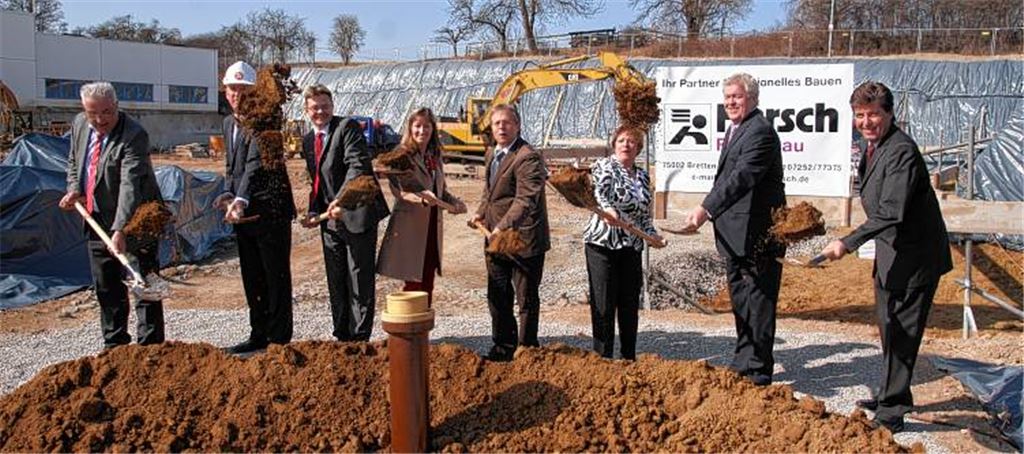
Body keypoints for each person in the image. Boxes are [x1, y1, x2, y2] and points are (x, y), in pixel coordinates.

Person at [819, 81, 952, 433]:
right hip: (891, 254)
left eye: (874, 115)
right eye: (860, 115)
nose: (866, 122)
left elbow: (891, 211)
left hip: (915, 258)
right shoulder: (874, 147)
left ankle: (893, 412)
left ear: (890, 114)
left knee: (902, 332)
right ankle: (890, 394)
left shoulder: (901, 151)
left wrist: (847, 243)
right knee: (888, 327)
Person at [679, 73, 786, 386]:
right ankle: (743, 360)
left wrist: (706, 209)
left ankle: (759, 368)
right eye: (727, 97)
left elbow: (741, 177)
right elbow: (727, 178)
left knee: (759, 300)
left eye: (736, 97)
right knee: (741, 299)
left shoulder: (760, 131)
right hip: (735, 233)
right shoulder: (738, 129)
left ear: (752, 98)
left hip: (757, 233)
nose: (730, 102)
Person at [58, 81, 165, 349]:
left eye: (106, 112)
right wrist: (74, 189)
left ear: (116, 106)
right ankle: (114, 346)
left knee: (144, 284)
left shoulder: (134, 135)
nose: (99, 119)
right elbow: (74, 162)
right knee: (106, 286)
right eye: (92, 113)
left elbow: (130, 185)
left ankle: (151, 350)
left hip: (137, 219)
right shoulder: (80, 124)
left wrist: (120, 229)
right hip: (96, 217)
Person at [214, 61, 296, 353]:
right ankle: (258, 333)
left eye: (243, 89)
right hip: (244, 213)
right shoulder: (228, 123)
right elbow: (232, 166)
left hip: (270, 210)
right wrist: (228, 193)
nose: (237, 94)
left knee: (275, 276)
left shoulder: (266, 120)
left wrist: (241, 198)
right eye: (232, 89)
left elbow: (255, 164)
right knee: (252, 276)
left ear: (255, 92)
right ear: (225, 92)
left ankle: (279, 339)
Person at [300, 84, 389, 341]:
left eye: (325, 106)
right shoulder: (308, 140)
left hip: (357, 213)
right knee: (336, 277)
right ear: (306, 110)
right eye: (315, 107)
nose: (320, 112)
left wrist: (340, 200)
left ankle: (359, 339)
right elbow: (317, 180)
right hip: (329, 221)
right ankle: (342, 336)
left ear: (332, 106)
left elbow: (357, 166)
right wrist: (313, 210)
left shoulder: (347, 128)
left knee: (359, 277)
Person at [470, 104, 550, 362]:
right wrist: (481, 213)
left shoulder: (528, 156)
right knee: (498, 295)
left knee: (526, 299)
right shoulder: (492, 153)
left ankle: (527, 348)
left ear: (517, 126)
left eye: (507, 122)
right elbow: (489, 192)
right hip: (495, 239)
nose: (501, 127)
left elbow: (526, 199)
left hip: (523, 237)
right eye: (497, 123)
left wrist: (503, 226)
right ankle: (503, 345)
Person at [583, 126, 665, 360]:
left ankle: (628, 356)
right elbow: (599, 193)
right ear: (614, 144)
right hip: (603, 244)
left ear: (638, 148)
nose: (626, 145)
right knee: (604, 303)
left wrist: (653, 236)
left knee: (629, 303)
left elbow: (644, 215)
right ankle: (603, 357)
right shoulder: (604, 166)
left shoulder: (642, 176)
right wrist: (608, 210)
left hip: (631, 246)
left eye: (631, 141)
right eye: (621, 140)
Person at [376, 107, 467, 307]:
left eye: (427, 126)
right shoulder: (401, 155)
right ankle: (411, 322)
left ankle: (424, 321)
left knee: (428, 276)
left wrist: (454, 202)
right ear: (410, 128)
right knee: (413, 280)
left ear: (433, 129)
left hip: (432, 225)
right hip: (411, 226)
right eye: (417, 126)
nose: (422, 131)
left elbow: (440, 191)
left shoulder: (434, 156)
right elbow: (399, 190)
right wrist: (421, 198)